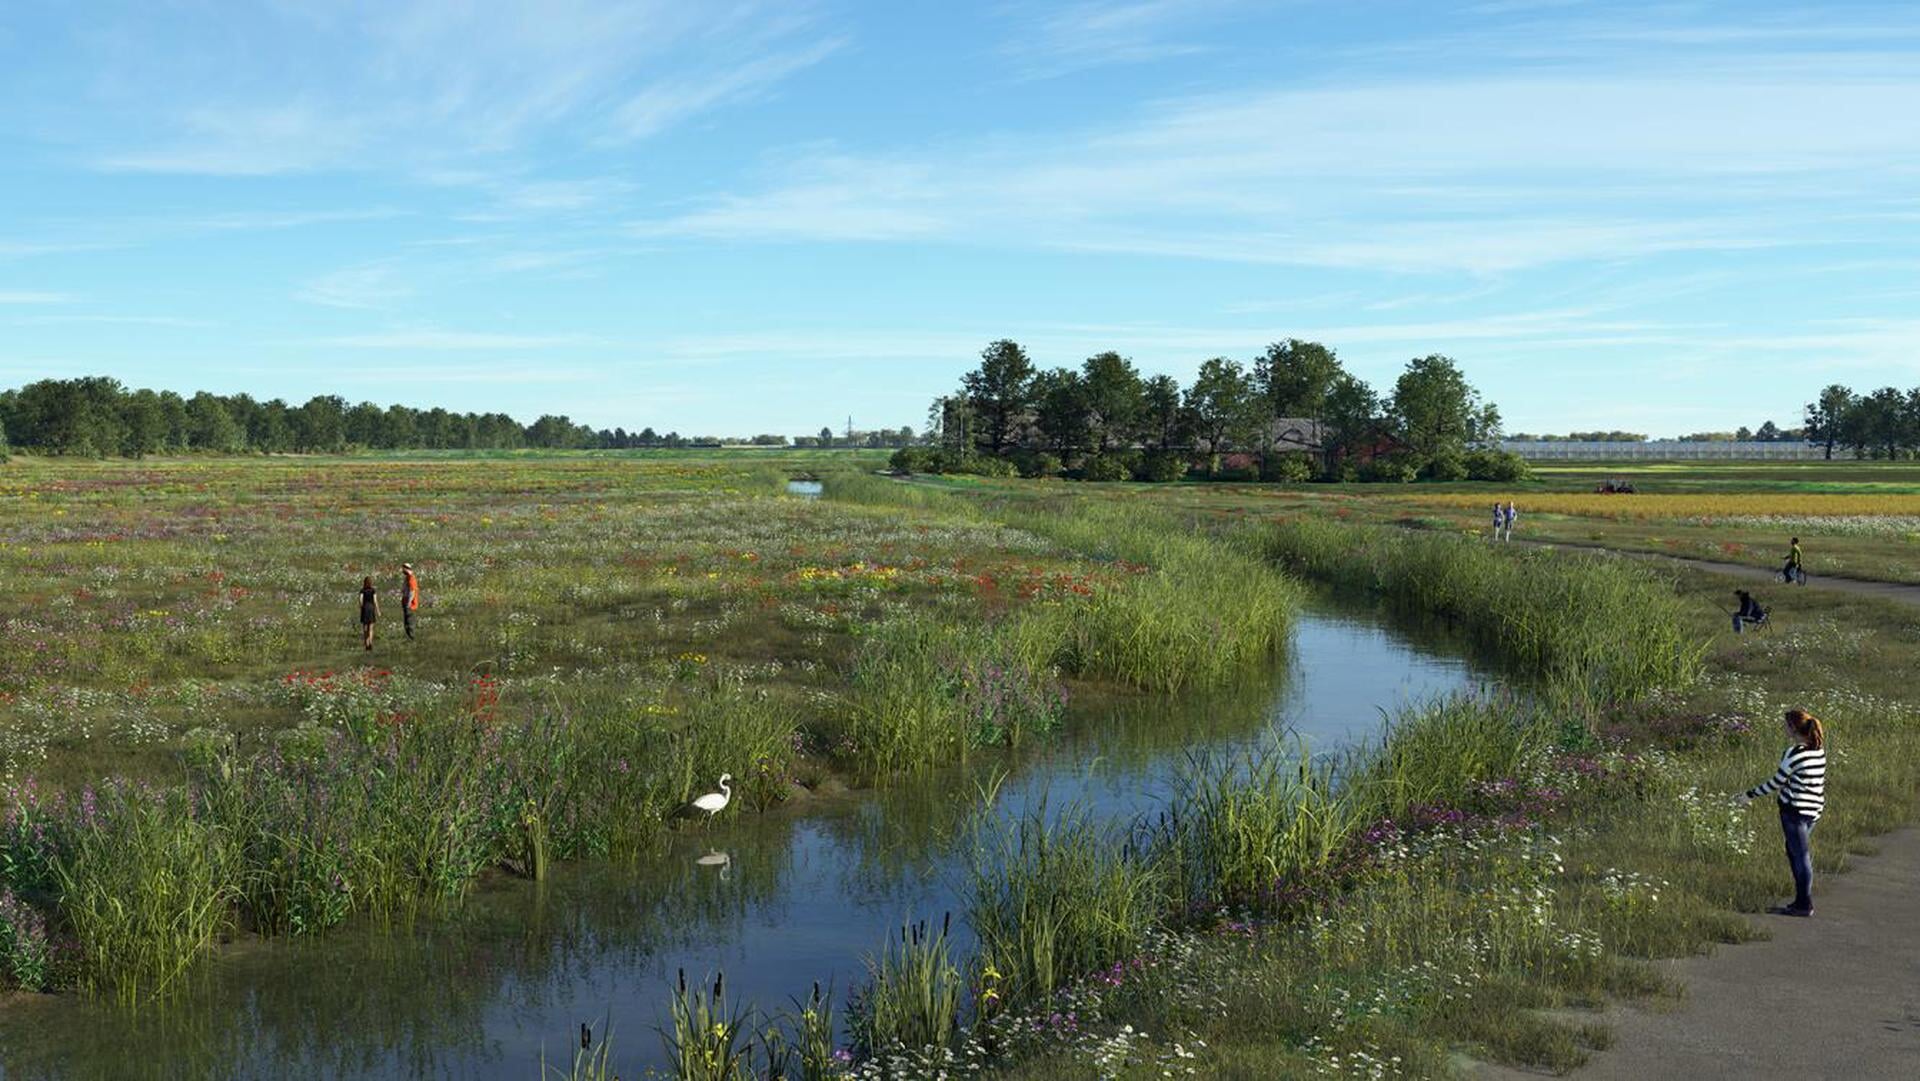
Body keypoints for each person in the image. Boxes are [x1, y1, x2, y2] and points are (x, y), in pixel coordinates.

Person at [1742, 708, 1826, 917]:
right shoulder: (1818, 749)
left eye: (1785, 724)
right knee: (1794, 850)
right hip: (1814, 809)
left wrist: (1748, 795)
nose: (1783, 728)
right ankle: (1800, 899)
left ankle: (1803, 904)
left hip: (1794, 810)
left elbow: (1776, 783)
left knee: (1800, 855)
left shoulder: (1793, 754)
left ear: (1793, 728)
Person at [358, 575, 379, 651]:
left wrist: (361, 608)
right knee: (371, 628)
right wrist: (378, 611)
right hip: (371, 609)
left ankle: (366, 643)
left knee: (365, 628)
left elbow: (360, 600)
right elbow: (375, 601)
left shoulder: (362, 590)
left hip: (365, 609)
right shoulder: (373, 590)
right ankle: (370, 641)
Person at [400, 562, 420, 641]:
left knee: (409, 623)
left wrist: (408, 604)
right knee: (406, 623)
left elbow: (412, 592)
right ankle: (409, 638)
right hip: (406, 603)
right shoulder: (407, 578)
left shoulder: (411, 578)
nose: (402, 571)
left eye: (403, 569)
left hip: (411, 605)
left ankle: (412, 638)